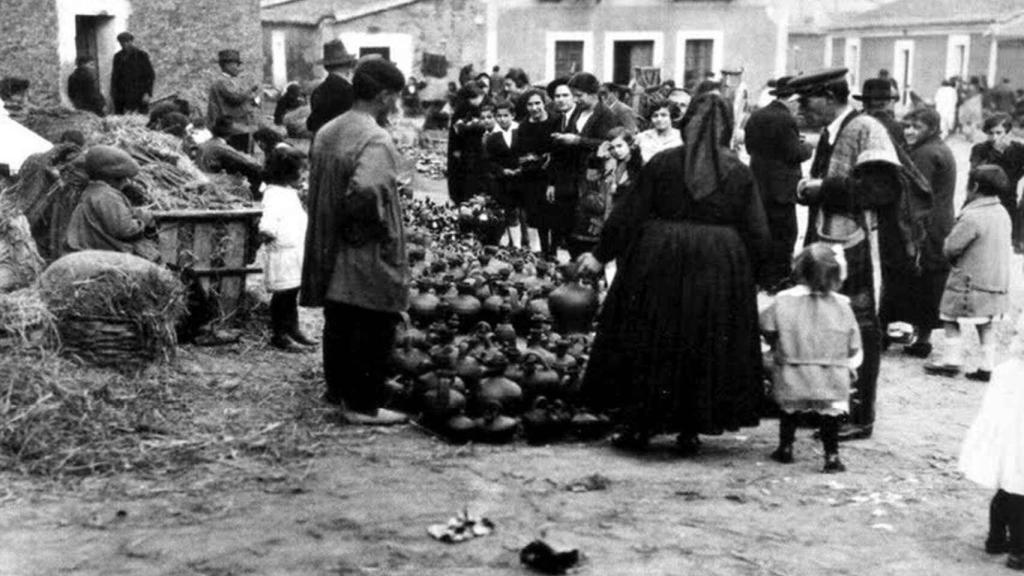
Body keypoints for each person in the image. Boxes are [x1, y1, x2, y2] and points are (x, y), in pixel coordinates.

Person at [576, 91, 770, 453]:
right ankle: (690, 429)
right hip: (718, 264)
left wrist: (601, 255)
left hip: (660, 259)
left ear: (685, 121)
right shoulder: (738, 172)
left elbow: (630, 212)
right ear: (728, 128)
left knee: (654, 337)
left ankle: (641, 426)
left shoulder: (664, 163)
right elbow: (757, 230)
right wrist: (755, 275)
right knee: (702, 340)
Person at [793, 68, 912, 441]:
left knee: (858, 327)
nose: (801, 108)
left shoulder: (867, 129)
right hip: (830, 243)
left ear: (830, 97)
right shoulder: (833, 131)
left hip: (856, 245)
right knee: (826, 323)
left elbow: (883, 190)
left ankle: (859, 415)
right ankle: (828, 408)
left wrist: (823, 188)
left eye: (806, 99)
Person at [300, 58, 410, 425]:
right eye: (395, 97)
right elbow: (367, 190)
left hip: (329, 239)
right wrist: (365, 229)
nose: (395, 104)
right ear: (383, 96)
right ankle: (363, 404)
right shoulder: (375, 137)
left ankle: (339, 391)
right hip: (362, 244)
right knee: (373, 318)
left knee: (340, 317)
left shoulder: (328, 130)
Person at [760, 243, 862, 473]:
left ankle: (785, 447)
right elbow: (854, 343)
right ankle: (832, 456)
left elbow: (767, 326)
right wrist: (850, 363)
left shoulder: (784, 299)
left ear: (800, 269)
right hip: (831, 373)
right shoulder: (843, 304)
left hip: (792, 370)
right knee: (830, 412)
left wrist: (777, 344)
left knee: (789, 409)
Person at [924, 165, 1012, 382]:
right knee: (986, 323)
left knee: (949, 317)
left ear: (974, 186)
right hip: (995, 281)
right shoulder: (1003, 213)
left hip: (969, 282)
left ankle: (952, 360)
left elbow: (951, 247)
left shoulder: (972, 216)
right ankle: (987, 365)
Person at [958, 319, 1024, 570]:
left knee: (1006, 488)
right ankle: (1019, 551)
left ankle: (996, 538)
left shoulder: (1005, 370)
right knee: (1020, 493)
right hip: (1019, 441)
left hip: (1004, 439)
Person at [892, 108, 957, 359]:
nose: (909, 131)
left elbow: (916, 195)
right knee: (930, 278)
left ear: (931, 128)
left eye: (916, 127)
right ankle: (921, 335)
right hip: (939, 221)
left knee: (923, 278)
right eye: (907, 126)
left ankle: (920, 338)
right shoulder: (938, 148)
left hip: (926, 224)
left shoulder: (925, 154)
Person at [744, 76, 813, 289]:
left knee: (761, 232)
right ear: (791, 100)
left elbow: (749, 147)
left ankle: (760, 277)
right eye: (799, 102)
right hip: (782, 189)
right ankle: (779, 279)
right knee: (785, 235)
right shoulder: (785, 119)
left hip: (758, 184)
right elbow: (794, 153)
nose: (799, 107)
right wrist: (808, 148)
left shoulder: (757, 115)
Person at [555, 72, 621, 258]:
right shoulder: (578, 112)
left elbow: (607, 144)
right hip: (573, 175)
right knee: (571, 223)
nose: (575, 100)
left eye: (579, 95)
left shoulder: (606, 115)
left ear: (593, 94)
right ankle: (575, 259)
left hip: (593, 177)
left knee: (589, 221)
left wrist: (577, 140)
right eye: (574, 95)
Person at [258, 146, 314, 352]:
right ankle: (280, 334)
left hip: (294, 252)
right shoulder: (273, 194)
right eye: (301, 170)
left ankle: (293, 329)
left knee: (292, 292)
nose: (304, 175)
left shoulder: (289, 192)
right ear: (287, 172)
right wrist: (268, 235)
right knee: (283, 295)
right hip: (282, 253)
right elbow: (267, 224)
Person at [63, 145, 157, 260]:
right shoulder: (107, 195)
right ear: (112, 178)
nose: (126, 182)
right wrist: (143, 220)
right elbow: (124, 230)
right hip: (99, 255)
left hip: (87, 252)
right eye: (123, 178)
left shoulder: (93, 191)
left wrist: (133, 212)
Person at [970, 114, 1024, 251]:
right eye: (990, 133)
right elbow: (976, 175)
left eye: (999, 133)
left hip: (1009, 204)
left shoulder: (1018, 150)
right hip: (984, 203)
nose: (994, 137)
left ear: (1008, 133)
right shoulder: (980, 149)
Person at [515, 88, 556, 257]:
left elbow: (557, 151)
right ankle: (543, 251)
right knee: (537, 216)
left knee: (554, 215)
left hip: (553, 176)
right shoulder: (524, 126)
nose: (534, 108)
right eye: (530, 104)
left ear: (544, 103)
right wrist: (534, 158)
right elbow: (522, 153)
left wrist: (547, 157)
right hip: (532, 177)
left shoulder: (555, 121)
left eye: (537, 103)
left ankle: (553, 251)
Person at [484, 99, 524, 247]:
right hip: (504, 179)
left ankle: (524, 244)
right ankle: (511, 243)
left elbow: (527, 152)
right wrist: (501, 170)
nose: (502, 119)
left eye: (505, 115)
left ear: (513, 115)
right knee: (508, 210)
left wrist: (522, 168)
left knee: (524, 212)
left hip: (522, 176)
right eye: (499, 116)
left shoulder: (521, 131)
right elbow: (489, 160)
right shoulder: (493, 137)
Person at [207, 49, 260, 153]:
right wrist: (251, 89)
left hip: (239, 127)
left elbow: (243, 99)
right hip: (232, 128)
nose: (238, 68)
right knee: (237, 155)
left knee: (244, 153)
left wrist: (253, 101)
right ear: (227, 65)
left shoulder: (231, 81)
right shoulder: (221, 81)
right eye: (236, 65)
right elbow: (236, 98)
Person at [196, 118, 263, 197]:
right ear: (230, 134)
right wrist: (261, 164)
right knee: (246, 176)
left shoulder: (204, 144)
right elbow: (246, 160)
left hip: (200, 176)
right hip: (210, 179)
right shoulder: (220, 146)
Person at [447, 82, 489, 205]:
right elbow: (459, 131)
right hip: (467, 150)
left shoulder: (464, 109)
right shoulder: (466, 110)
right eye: (479, 97)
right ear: (471, 98)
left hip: (467, 150)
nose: (481, 100)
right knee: (467, 177)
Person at [306, 40, 357, 135]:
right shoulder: (350, 91)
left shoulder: (318, 91)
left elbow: (312, 124)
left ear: (326, 67)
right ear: (348, 65)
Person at [110, 32, 154, 115]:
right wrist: (113, 92)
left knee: (140, 117)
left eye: (127, 42)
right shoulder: (118, 57)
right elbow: (115, 76)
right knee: (121, 117)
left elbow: (150, 75)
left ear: (131, 41)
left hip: (139, 93)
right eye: (121, 42)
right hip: (122, 94)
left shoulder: (141, 55)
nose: (124, 44)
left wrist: (147, 93)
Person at [634, 99, 682, 164]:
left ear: (671, 117)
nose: (659, 119)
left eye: (663, 115)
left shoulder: (680, 137)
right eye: (655, 116)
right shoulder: (641, 137)